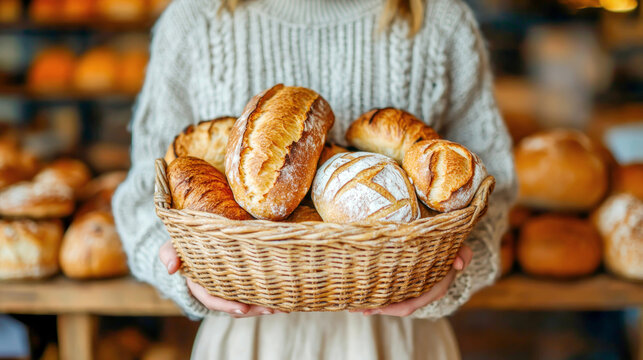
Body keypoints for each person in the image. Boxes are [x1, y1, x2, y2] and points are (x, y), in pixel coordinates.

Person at [113, 0, 517, 358]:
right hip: (249, 342)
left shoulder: (440, 19)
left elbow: (489, 186)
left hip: (400, 340)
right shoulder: (194, 19)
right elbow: (142, 196)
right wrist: (184, 274)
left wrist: (456, 272)